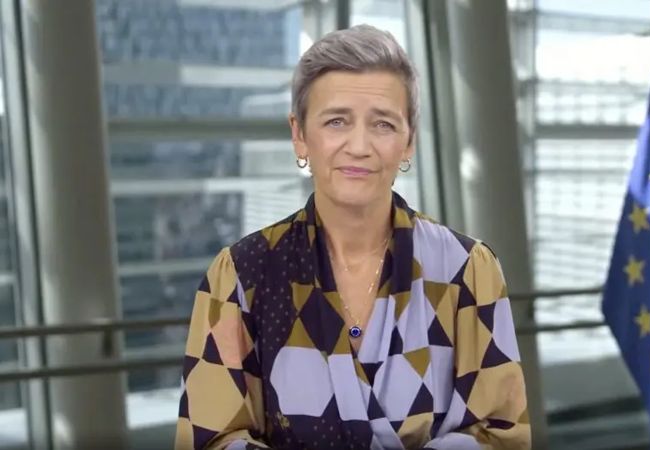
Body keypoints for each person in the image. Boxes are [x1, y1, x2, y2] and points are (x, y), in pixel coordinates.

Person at [175, 24, 531, 450]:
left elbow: (500, 434)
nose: (359, 146)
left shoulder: (466, 269)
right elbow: (211, 439)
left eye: (383, 124)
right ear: (300, 135)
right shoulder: (241, 275)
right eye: (337, 121)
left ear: (409, 142)